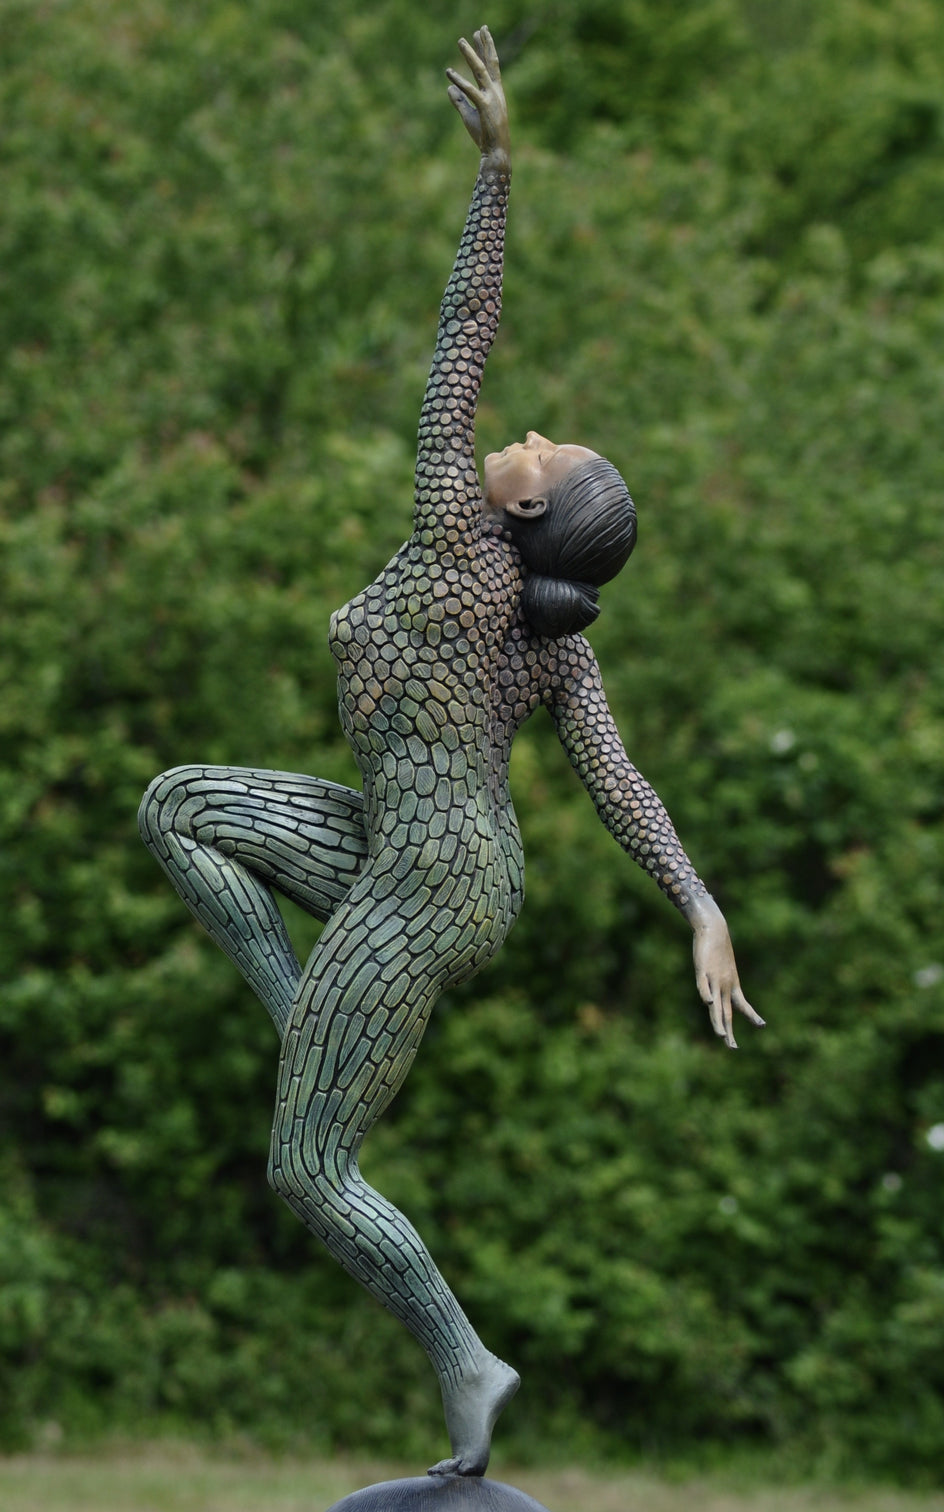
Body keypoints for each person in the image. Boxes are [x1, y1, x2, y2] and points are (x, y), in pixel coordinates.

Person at [138, 28, 760, 1478]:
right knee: (180, 806)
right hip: (418, 851)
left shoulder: (459, 544)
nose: (524, 433)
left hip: (429, 887)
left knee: (308, 1166)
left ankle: (465, 1361)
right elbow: (619, 781)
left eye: (546, 449)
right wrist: (699, 902)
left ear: (528, 507)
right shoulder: (541, 628)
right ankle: (304, 1012)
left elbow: (460, 343)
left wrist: (496, 174)